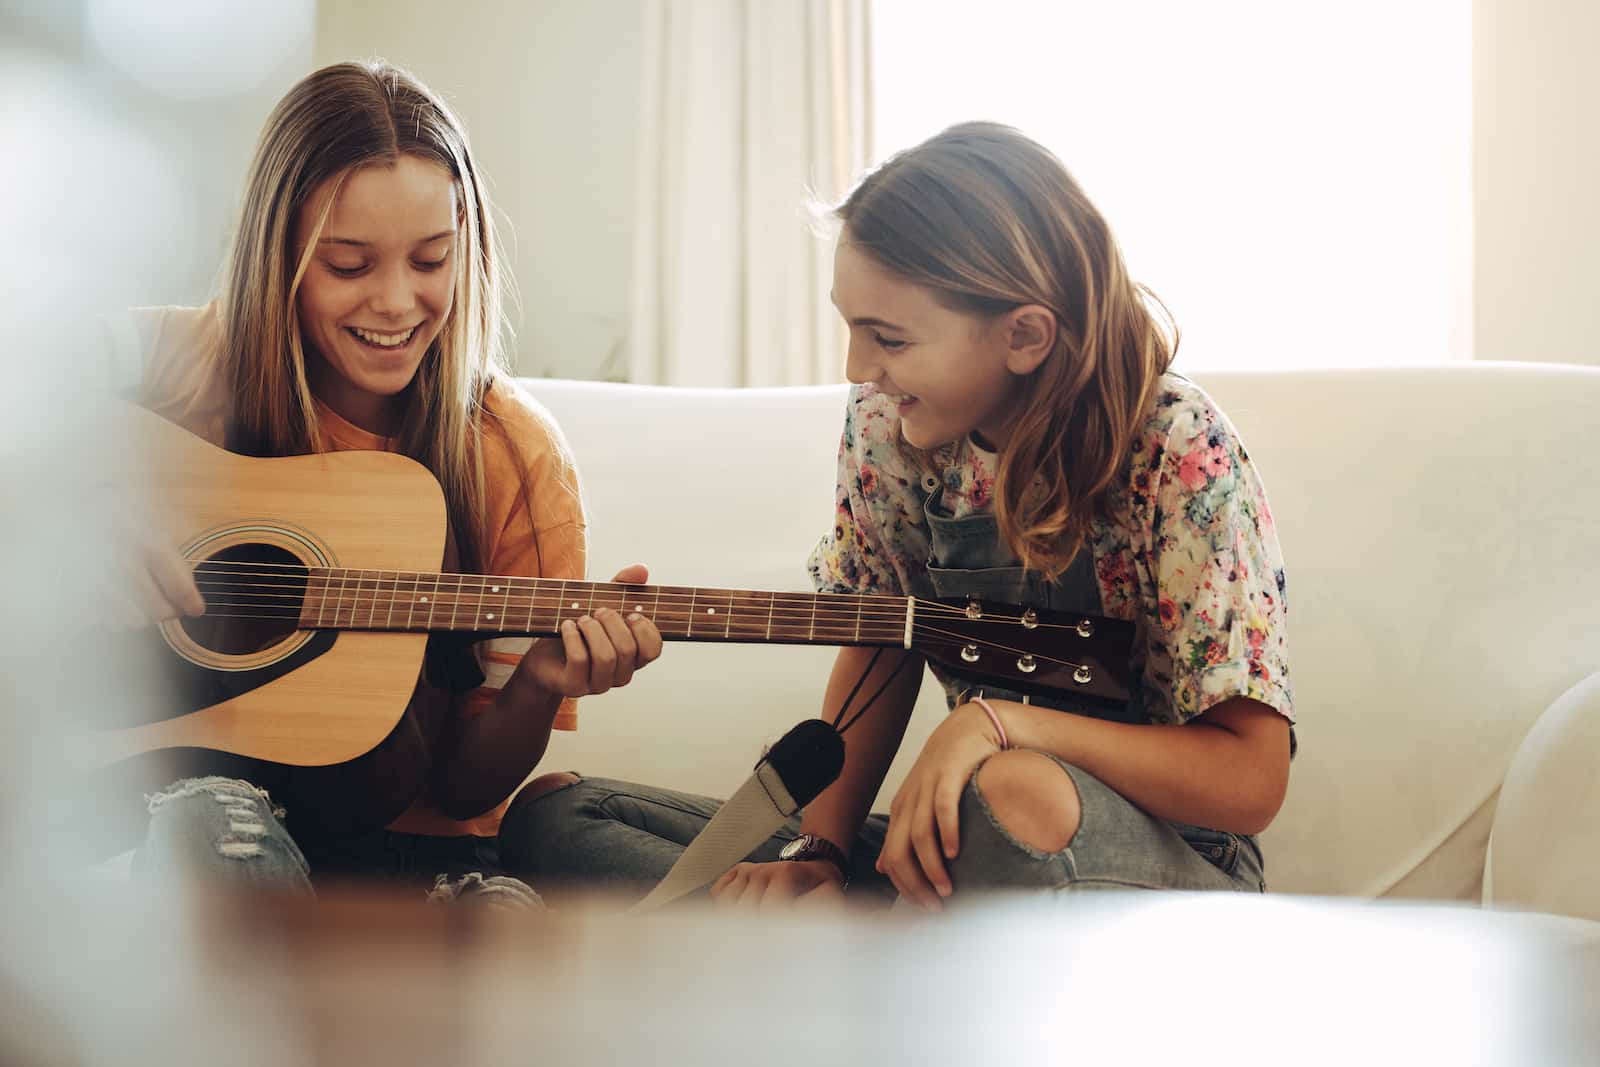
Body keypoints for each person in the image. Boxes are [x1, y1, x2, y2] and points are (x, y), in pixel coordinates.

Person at [500, 122, 1293, 910]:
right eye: (849, 326)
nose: (856, 368)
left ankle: (822, 953)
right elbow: (882, 646)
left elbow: (1250, 781)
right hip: (969, 853)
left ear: (1024, 336)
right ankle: (840, 936)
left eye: (889, 338)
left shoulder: (1179, 449)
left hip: (1168, 866)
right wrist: (821, 853)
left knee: (1014, 794)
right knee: (561, 815)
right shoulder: (892, 427)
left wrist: (1002, 726)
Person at [113, 60, 661, 900]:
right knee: (209, 830)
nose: (398, 302)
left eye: (431, 260)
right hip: (193, 818)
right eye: (347, 264)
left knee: (500, 917)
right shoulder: (176, 363)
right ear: (278, 253)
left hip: (418, 858)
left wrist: (538, 685)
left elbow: (467, 791)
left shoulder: (515, 453)